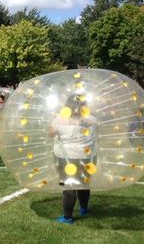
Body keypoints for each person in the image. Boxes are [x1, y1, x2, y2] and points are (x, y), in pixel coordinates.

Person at [49, 94, 98, 224]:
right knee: (84, 183)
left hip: (66, 156)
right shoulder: (92, 119)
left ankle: (67, 217)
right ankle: (84, 209)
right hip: (87, 156)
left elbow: (50, 134)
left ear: (67, 105)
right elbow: (95, 133)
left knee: (69, 185)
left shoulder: (60, 119)